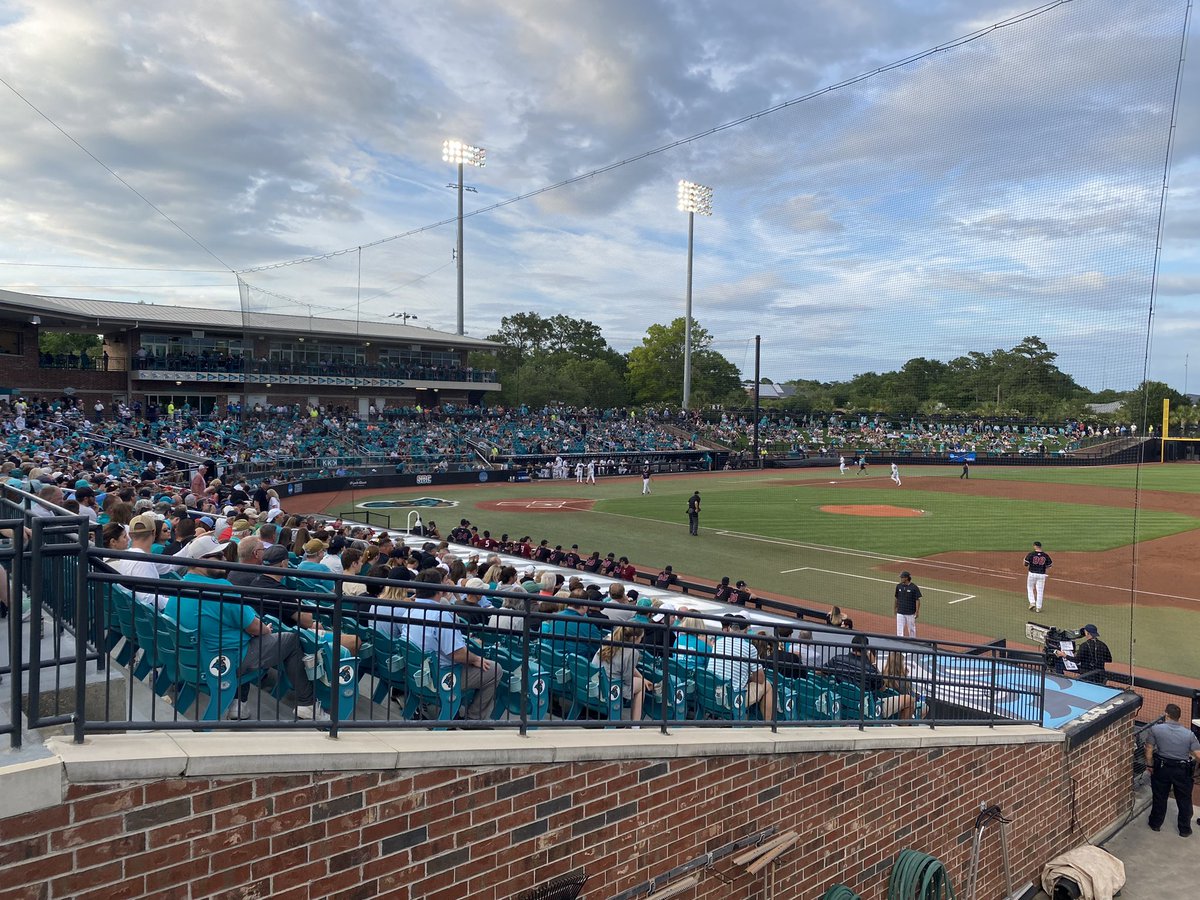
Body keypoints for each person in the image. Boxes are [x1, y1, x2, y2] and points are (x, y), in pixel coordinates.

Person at [824, 635, 914, 719]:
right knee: (909, 700)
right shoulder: (869, 669)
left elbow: (819, 671)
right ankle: (902, 730)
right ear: (866, 649)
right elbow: (882, 688)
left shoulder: (838, 660)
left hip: (843, 704)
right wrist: (873, 663)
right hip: (868, 709)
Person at [1144, 703, 1200, 837]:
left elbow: (1149, 750)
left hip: (1162, 768)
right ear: (1179, 717)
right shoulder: (1189, 734)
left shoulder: (1156, 730)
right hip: (1182, 770)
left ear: (1166, 714)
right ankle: (1185, 829)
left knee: (1160, 797)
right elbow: (1198, 755)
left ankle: (1155, 824)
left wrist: (1150, 765)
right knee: (1184, 800)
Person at [1023, 541, 1052, 612]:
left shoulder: (1031, 554)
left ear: (1035, 546)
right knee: (1040, 591)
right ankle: (1038, 608)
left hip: (1032, 574)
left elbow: (1025, 564)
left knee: (1030, 588)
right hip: (1041, 575)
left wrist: (1024, 560)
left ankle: (1032, 602)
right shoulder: (1045, 555)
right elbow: (1049, 566)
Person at [893, 571, 921, 638]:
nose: (901, 578)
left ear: (906, 578)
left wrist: (917, 611)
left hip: (910, 613)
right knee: (899, 629)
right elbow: (896, 598)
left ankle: (913, 642)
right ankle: (900, 643)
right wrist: (895, 608)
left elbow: (917, 600)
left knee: (911, 629)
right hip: (900, 612)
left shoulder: (914, 587)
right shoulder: (898, 586)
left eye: (902, 577)